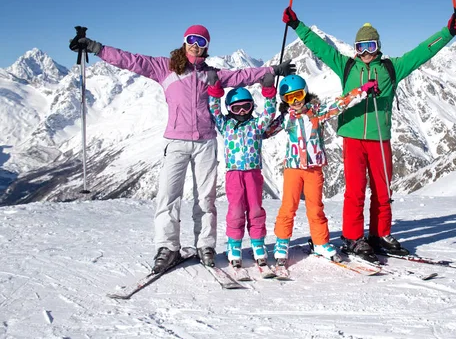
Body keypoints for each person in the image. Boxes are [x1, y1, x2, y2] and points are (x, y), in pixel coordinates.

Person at [71, 25, 296, 273]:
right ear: (184, 41)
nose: (195, 44)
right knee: (168, 195)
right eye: (191, 39)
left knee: (206, 197)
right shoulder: (164, 67)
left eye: (201, 40)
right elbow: (130, 60)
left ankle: (206, 245)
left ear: (207, 46)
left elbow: (242, 75)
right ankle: (167, 248)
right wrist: (95, 47)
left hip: (205, 141)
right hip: (175, 142)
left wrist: (272, 71)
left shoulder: (211, 74)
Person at [281, 7, 456, 262]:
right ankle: (353, 236)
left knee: (382, 189)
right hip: (352, 137)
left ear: (378, 46)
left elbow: (423, 52)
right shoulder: (346, 66)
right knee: (355, 190)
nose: (365, 52)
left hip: (380, 138)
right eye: (360, 47)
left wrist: (448, 32)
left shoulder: (392, 68)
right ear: (355, 49)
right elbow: (321, 48)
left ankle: (380, 234)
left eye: (370, 46)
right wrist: (297, 25)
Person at [263, 74, 380, 264]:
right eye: (289, 98)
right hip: (293, 168)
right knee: (288, 206)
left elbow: (340, 104)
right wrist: (267, 112)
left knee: (315, 207)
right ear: (284, 100)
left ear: (305, 94)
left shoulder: (317, 112)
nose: (295, 101)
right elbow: (264, 132)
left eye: (298, 95)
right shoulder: (285, 118)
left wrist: (363, 90)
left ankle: (320, 241)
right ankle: (282, 241)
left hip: (314, 168)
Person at [206, 73, 278, 268]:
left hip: (253, 173)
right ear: (229, 109)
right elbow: (214, 111)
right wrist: (214, 91)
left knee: (255, 208)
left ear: (252, 107)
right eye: (236, 108)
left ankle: (257, 243)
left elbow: (269, 113)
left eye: (246, 106)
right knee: (236, 209)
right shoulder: (226, 124)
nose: (242, 111)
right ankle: (234, 244)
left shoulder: (256, 124)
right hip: (234, 173)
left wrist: (269, 93)